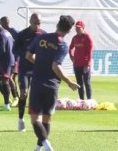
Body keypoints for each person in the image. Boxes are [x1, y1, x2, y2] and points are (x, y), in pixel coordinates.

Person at [26, 15, 80, 151]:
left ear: (57, 25)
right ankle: (40, 148)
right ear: (69, 30)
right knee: (46, 120)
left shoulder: (41, 38)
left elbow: (28, 56)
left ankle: (46, 147)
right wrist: (69, 82)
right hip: (52, 86)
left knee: (34, 120)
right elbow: (55, 66)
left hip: (37, 83)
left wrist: (40, 63)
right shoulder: (62, 45)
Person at [13, 13, 46, 132]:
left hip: (38, 70)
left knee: (38, 96)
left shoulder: (44, 35)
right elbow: (14, 50)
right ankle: (21, 119)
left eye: (39, 23)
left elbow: (48, 50)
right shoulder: (22, 35)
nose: (37, 25)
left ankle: (38, 121)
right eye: (35, 23)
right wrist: (26, 54)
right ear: (30, 22)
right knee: (24, 94)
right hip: (24, 70)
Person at [69, 20, 94, 100]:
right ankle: (81, 100)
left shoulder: (87, 37)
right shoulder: (75, 38)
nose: (77, 29)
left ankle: (89, 100)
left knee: (87, 83)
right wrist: (71, 56)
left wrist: (88, 64)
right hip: (76, 64)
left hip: (85, 65)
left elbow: (90, 51)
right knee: (79, 83)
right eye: (76, 28)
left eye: (79, 28)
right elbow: (70, 48)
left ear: (83, 28)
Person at [0, 16, 19, 107]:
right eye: (3, 22)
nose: (4, 24)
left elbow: (20, 42)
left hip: (15, 58)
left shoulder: (13, 31)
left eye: (5, 22)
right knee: (0, 80)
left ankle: (16, 98)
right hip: (9, 59)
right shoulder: (3, 32)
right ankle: (10, 97)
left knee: (10, 78)